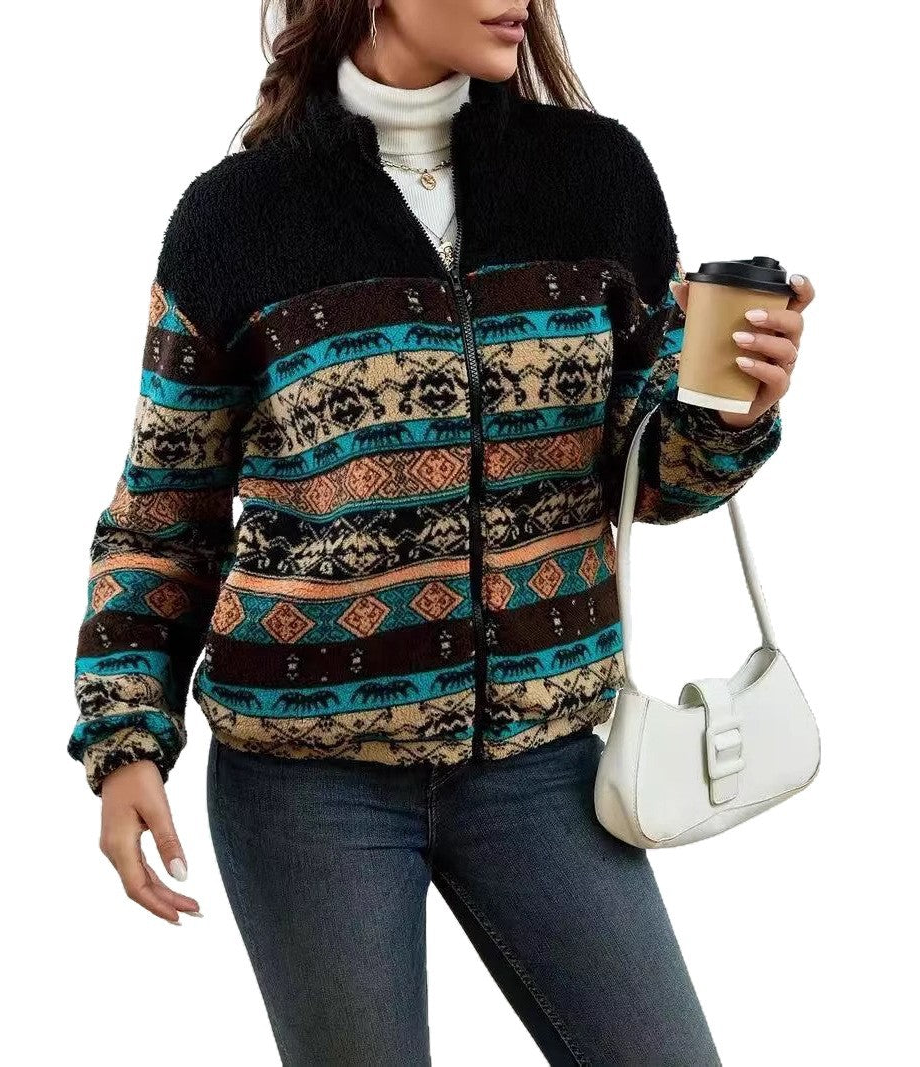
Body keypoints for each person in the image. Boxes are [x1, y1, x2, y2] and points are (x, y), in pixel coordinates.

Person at [68, 1, 810, 1062]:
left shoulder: (594, 179)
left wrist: (732, 413)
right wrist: (125, 740)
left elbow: (650, 484)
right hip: (305, 783)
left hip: (542, 763)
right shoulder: (236, 219)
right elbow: (162, 513)